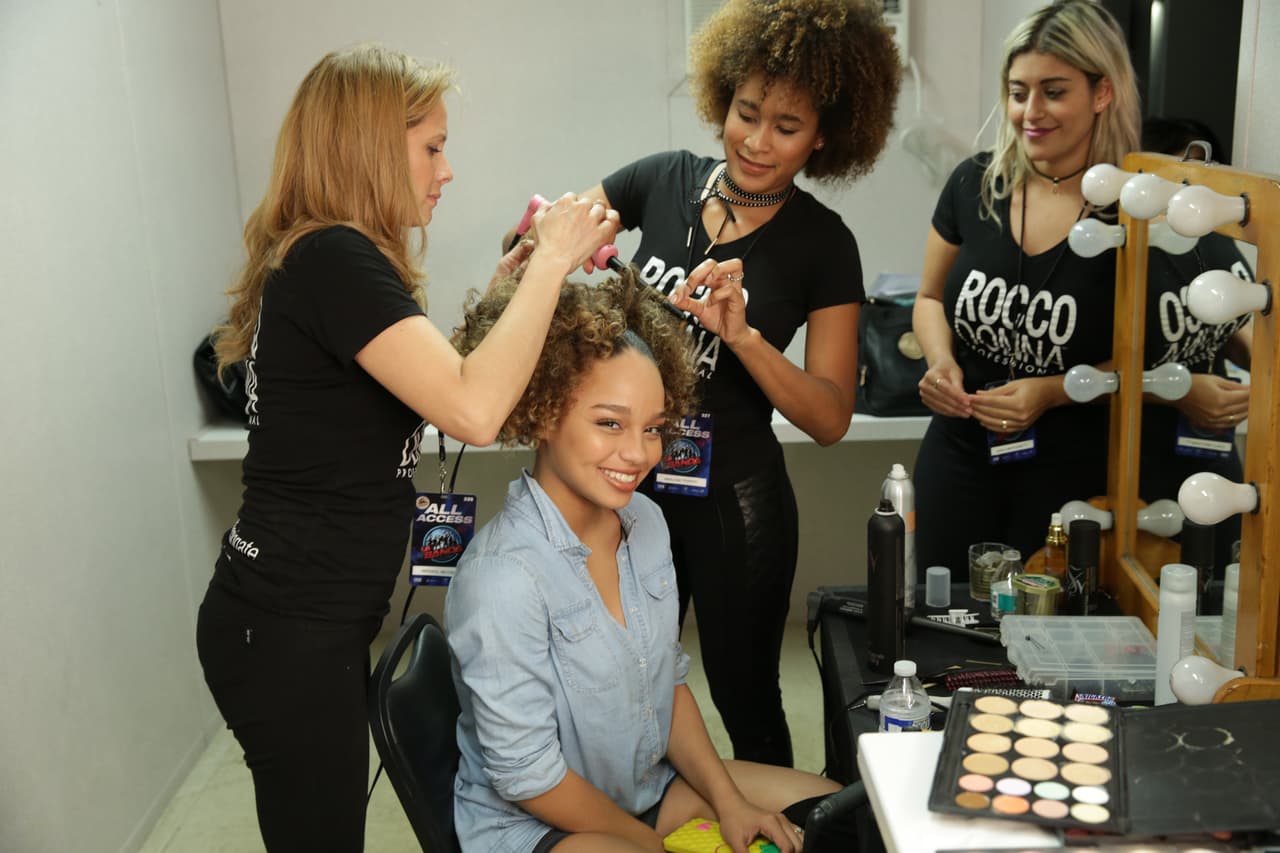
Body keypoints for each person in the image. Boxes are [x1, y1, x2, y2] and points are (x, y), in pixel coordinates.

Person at [194, 44, 617, 852]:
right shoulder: (333, 256)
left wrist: (508, 290)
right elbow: (472, 409)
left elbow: (429, 380)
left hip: (297, 618)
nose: (447, 169)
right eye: (432, 146)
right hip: (287, 625)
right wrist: (554, 259)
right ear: (366, 149)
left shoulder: (327, 257)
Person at [563, 0, 900, 768]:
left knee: (743, 687)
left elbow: (829, 416)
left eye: (788, 127)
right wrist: (541, 243)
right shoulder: (658, 181)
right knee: (621, 681)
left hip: (733, 502)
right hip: (622, 485)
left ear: (825, 136)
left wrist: (743, 336)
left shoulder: (823, 244)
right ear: (723, 97)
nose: (756, 140)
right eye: (747, 112)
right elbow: (549, 237)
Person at [446, 267, 841, 853]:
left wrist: (730, 802)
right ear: (544, 411)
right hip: (536, 825)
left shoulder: (647, 523)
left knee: (837, 815)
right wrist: (651, 846)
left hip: (642, 791)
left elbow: (666, 683)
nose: (638, 454)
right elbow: (529, 778)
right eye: (610, 423)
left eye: (654, 428)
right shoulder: (504, 579)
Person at [912, 0, 1142, 575]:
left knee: (1045, 635)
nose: (1030, 112)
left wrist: (1052, 390)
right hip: (958, 452)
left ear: (1102, 93)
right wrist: (940, 363)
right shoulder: (974, 184)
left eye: (1054, 91)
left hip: (1069, 466)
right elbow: (930, 298)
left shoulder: (1136, 212)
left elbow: (1144, 364)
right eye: (1018, 92)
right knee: (945, 621)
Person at [1140, 118, 1254, 574]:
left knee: (1217, 576)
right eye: (1186, 178)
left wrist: (1262, 373)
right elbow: (1090, 367)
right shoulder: (1130, 247)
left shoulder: (1218, 242)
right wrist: (1181, 389)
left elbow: (1234, 328)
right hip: (1145, 448)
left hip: (1212, 447)